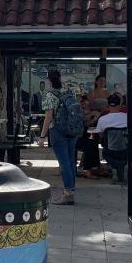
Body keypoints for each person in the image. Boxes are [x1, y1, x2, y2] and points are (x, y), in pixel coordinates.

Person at [38, 69, 82, 205]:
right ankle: (70, 191)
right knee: (70, 161)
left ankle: (68, 193)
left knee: (64, 163)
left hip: (58, 131)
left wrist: (42, 136)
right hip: (72, 131)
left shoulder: (50, 95)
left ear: (49, 80)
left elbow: (49, 117)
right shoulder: (70, 91)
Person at [96, 94, 128, 184]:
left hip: (110, 150)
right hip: (126, 149)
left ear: (108, 105)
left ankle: (115, 167)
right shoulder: (127, 117)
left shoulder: (102, 119)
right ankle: (121, 168)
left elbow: (100, 135)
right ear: (120, 104)